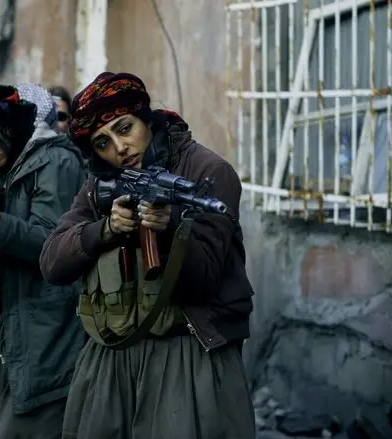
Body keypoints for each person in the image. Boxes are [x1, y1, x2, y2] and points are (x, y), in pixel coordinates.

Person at [39, 72, 257, 439]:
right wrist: (105, 230)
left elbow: (203, 282)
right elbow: (51, 264)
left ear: (146, 119)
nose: (120, 148)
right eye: (103, 143)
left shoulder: (208, 172)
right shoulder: (101, 183)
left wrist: (170, 228)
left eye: (125, 128)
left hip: (187, 353)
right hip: (112, 356)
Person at [0, 83, 86, 439]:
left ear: (5, 125)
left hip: (51, 323)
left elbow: (53, 245)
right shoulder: (9, 167)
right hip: (16, 318)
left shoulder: (55, 161)